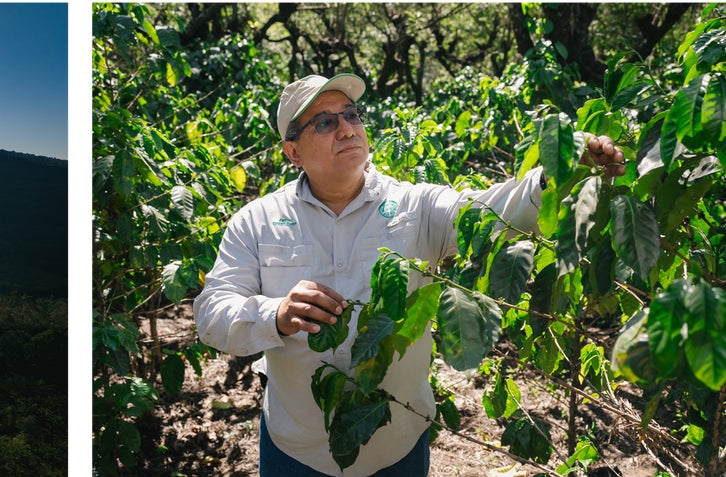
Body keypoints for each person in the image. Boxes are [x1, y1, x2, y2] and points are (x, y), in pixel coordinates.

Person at [193, 73, 625, 476]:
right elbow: (212, 312)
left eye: (351, 116)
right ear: (293, 152)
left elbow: (489, 213)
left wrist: (558, 172)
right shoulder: (257, 221)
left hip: (397, 444)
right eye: (324, 123)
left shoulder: (413, 205)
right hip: (297, 448)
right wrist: (275, 314)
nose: (347, 129)